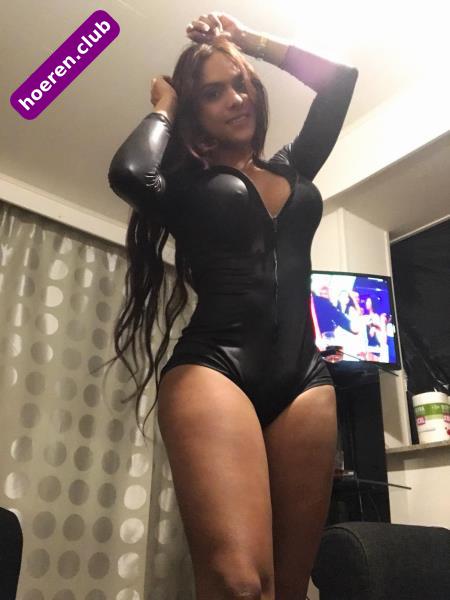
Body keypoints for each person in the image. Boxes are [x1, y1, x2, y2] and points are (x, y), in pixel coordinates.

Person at [107, 12, 358, 600]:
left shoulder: (293, 167)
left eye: (241, 84)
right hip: (215, 366)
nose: (235, 98)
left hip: (305, 381)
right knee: (239, 582)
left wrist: (248, 42)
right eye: (213, 92)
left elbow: (341, 80)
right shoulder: (186, 187)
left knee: (290, 589)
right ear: (194, 114)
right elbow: (130, 172)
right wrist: (166, 104)